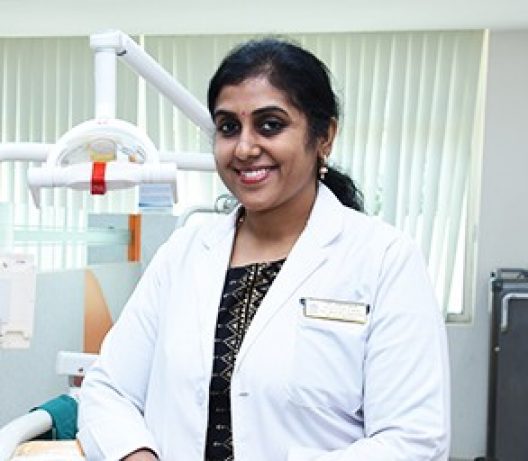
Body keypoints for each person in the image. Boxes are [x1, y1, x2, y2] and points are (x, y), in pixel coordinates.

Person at [77, 38, 450, 461]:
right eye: (228, 127)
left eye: (270, 125)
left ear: (324, 136)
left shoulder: (383, 259)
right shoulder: (183, 253)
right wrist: (137, 454)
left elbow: (413, 440)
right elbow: (108, 389)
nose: (244, 148)